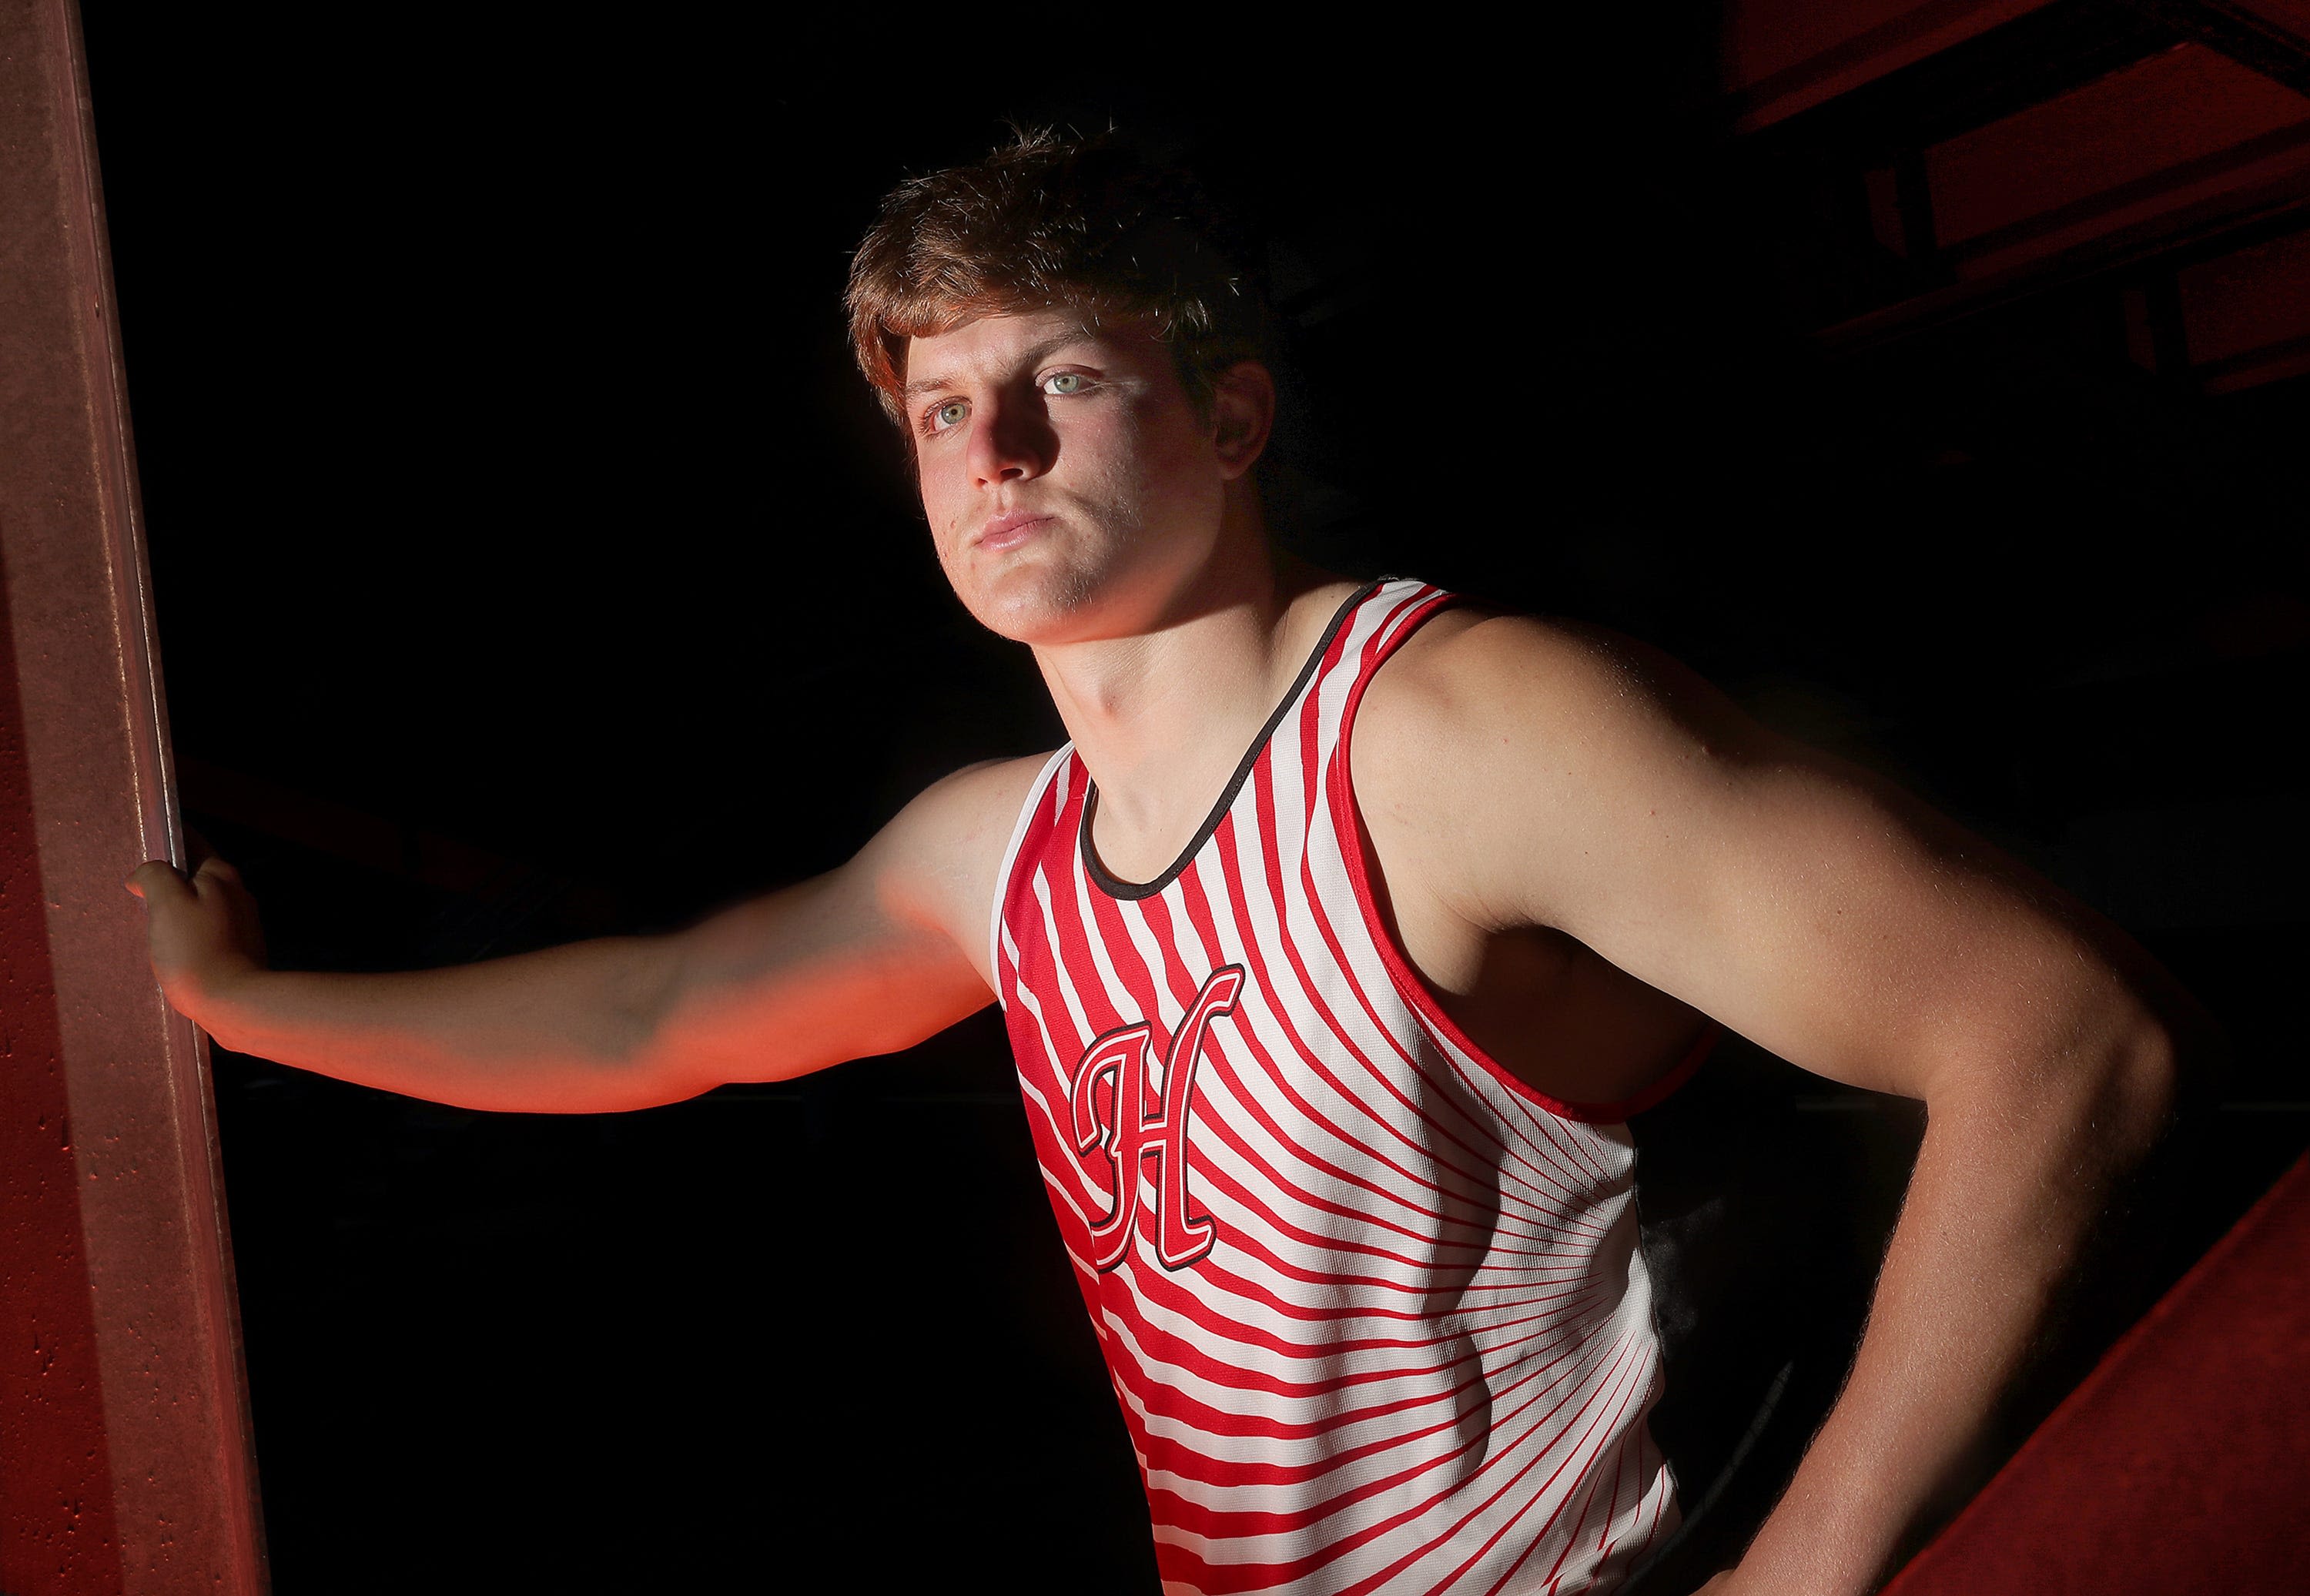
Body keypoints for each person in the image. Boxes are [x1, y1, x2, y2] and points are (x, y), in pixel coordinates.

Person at [129, 132, 2200, 1594]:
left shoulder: (1441, 730)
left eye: (1067, 380)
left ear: (1229, 416)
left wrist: (1821, 1563)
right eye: (945, 407)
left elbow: (2059, 1037)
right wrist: (249, 1002)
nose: (997, 452)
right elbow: (664, 1011)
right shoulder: (994, 850)